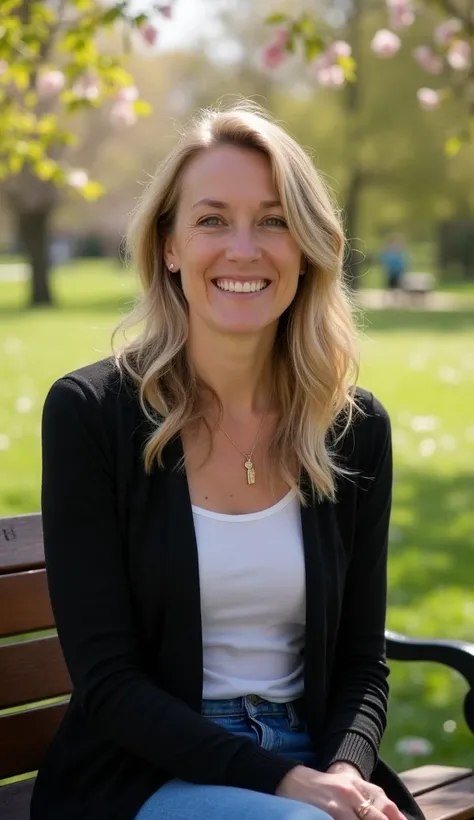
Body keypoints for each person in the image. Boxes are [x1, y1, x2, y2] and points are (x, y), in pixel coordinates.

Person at [31, 102, 423, 820]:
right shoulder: (92, 415)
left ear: (306, 247)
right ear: (169, 246)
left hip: (311, 760)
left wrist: (340, 772)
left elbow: (363, 663)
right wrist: (289, 786)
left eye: (273, 220)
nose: (244, 248)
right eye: (212, 220)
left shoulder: (353, 428)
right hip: (142, 774)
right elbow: (110, 682)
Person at [379, 235, 409, 305]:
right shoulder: (388, 253)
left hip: (398, 273)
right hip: (391, 273)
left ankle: (396, 301)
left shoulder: (400, 253)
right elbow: (384, 262)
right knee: (389, 288)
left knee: (398, 288)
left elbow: (404, 263)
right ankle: (387, 301)